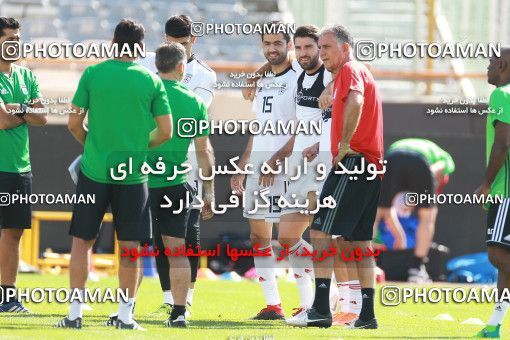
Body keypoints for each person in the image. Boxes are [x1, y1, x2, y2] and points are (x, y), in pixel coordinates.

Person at [55, 19, 172, 330]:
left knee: (82, 241)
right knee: (130, 246)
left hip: (94, 171)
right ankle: (124, 316)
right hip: (133, 175)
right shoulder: (151, 80)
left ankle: (75, 315)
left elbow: (73, 124)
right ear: (140, 47)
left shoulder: (93, 74)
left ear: (113, 43)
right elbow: (166, 131)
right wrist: (137, 148)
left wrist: (92, 145)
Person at [286, 24, 383, 329]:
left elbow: (355, 101)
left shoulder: (351, 70)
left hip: (352, 163)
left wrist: (342, 144)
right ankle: (366, 316)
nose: (321, 52)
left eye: (326, 47)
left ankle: (319, 310)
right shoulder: (350, 72)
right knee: (360, 243)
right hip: (370, 166)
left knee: (320, 233)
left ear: (345, 48)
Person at [139, 14, 216, 317]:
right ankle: (175, 303)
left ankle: (179, 299)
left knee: (182, 233)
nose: (178, 48)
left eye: (182, 43)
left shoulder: (203, 76)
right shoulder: (183, 94)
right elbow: (201, 140)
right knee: (171, 242)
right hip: (177, 169)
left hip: (165, 169)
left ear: (192, 42)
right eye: (173, 43)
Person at [230, 22, 296, 320]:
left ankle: (314, 300)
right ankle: (274, 304)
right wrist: (243, 165)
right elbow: (258, 128)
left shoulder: (302, 78)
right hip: (259, 167)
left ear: (289, 44)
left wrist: (279, 159)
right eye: (267, 43)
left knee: (290, 237)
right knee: (259, 236)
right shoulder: (264, 80)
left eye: (278, 43)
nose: (272, 48)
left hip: (290, 166)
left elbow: (306, 127)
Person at [0, 17, 47, 313]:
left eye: (18, 38)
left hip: (20, 168)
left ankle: (7, 298)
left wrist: (19, 109)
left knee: (14, 233)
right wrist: (23, 111)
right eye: (10, 39)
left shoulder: (26, 75)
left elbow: (42, 116)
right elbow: (3, 121)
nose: (16, 43)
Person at [374, 138, 454, 282]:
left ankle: (365, 263)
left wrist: (399, 235)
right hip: (419, 162)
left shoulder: (402, 146)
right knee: (428, 216)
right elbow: (433, 171)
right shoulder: (445, 158)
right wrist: (419, 194)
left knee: (379, 210)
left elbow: (388, 210)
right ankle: (416, 269)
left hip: (393, 158)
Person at [474, 47, 510, 339]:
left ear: (503, 64)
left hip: (505, 190)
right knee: (504, 263)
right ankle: (495, 325)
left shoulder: (502, 95)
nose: (487, 68)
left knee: (497, 255)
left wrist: (486, 184)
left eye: (490, 62)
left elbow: (502, 145)